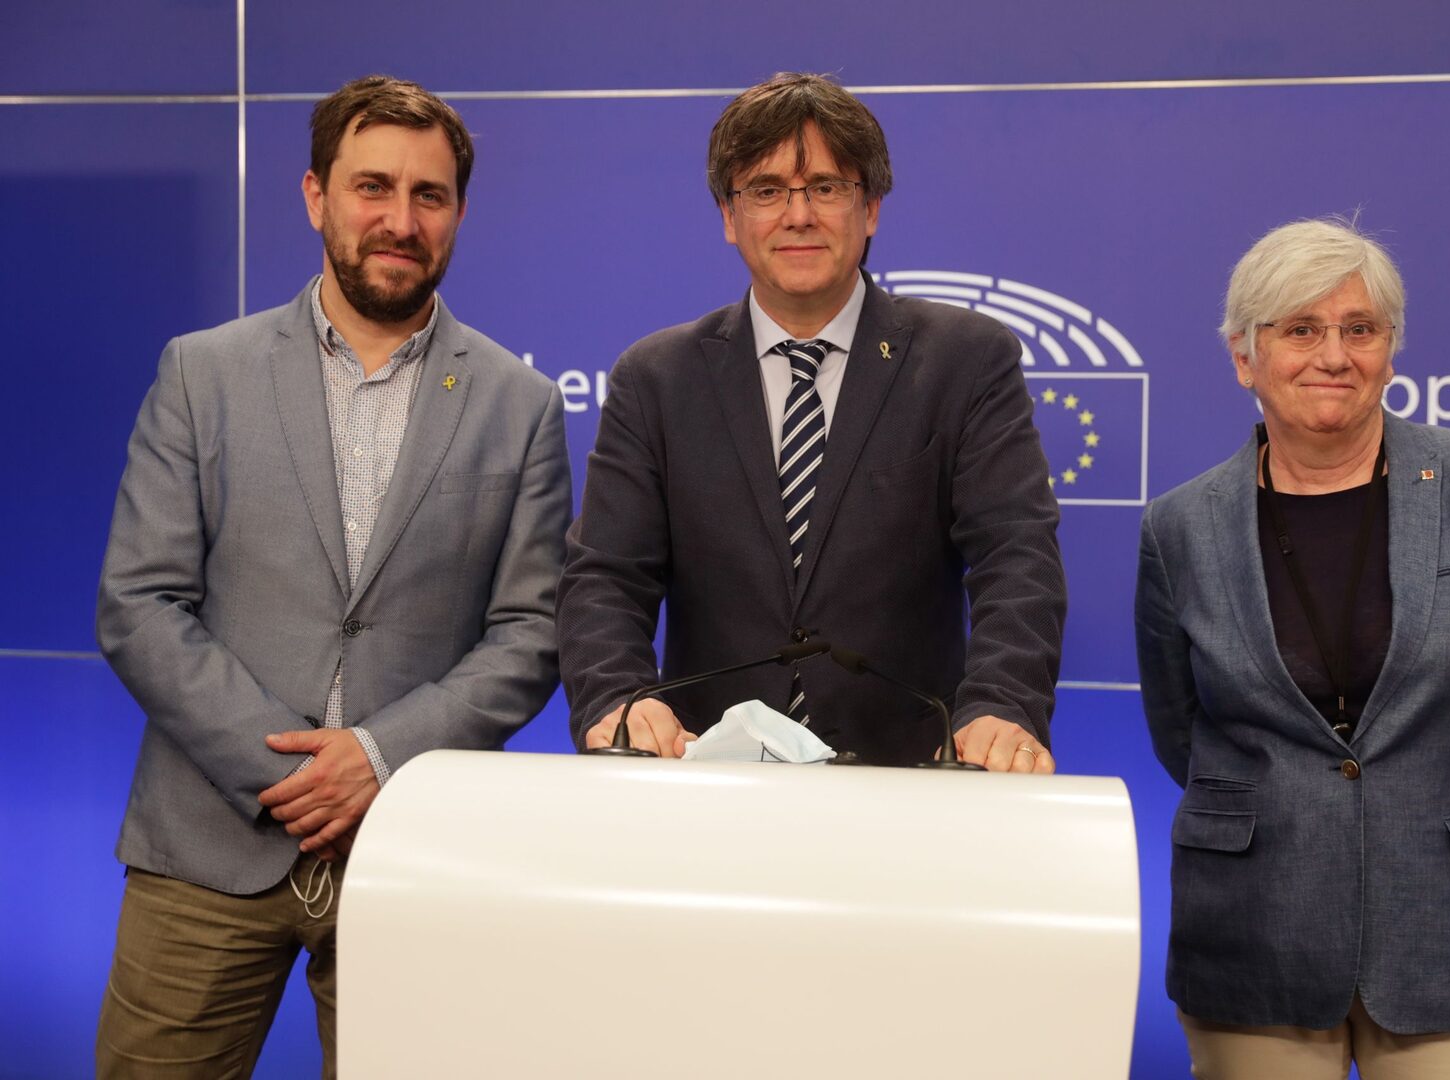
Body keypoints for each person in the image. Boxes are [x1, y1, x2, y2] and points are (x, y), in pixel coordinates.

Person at [94, 75, 571, 1077]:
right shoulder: (202, 372)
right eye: (372, 187)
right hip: (205, 847)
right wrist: (293, 776)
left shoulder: (519, 403)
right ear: (316, 196)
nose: (401, 220)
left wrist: (378, 757)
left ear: (459, 213)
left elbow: (530, 635)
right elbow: (139, 603)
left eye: (429, 195)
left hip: (413, 855)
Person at [1134, 216, 1450, 1078]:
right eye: (1300, 329)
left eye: (1359, 329)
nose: (1333, 355)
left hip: (1449, 929)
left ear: (1389, 350)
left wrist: (1439, 800)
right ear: (1243, 356)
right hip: (1254, 935)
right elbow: (1179, 730)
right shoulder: (1178, 526)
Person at [558, 72, 1064, 770]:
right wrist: (617, 698)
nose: (798, 215)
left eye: (825, 187)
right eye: (766, 191)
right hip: (703, 777)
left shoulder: (967, 360)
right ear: (729, 216)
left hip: (911, 777)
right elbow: (606, 578)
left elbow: (1018, 558)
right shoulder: (656, 378)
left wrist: (1001, 705)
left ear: (871, 207)